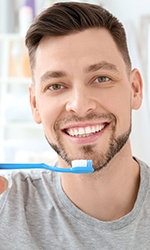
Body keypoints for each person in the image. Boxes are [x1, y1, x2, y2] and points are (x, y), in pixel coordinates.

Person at [0, 2, 149, 249]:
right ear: (35, 104)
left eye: (101, 78)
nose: (79, 106)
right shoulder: (6, 208)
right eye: (56, 86)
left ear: (135, 89)